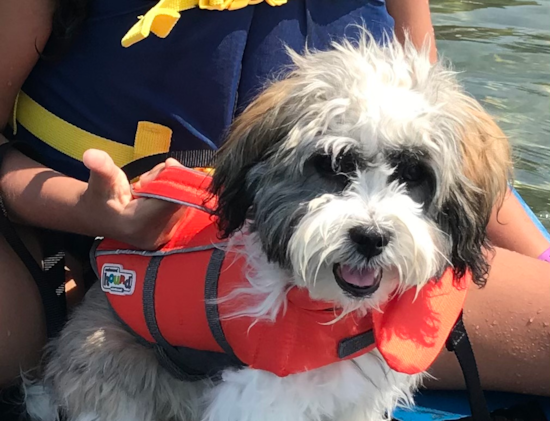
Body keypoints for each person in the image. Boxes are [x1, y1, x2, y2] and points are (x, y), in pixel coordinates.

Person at [0, 0, 548, 395]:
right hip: (79, 238)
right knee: (11, 346)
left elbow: (447, 151)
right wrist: (83, 209)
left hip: (318, 260)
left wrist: (541, 258)